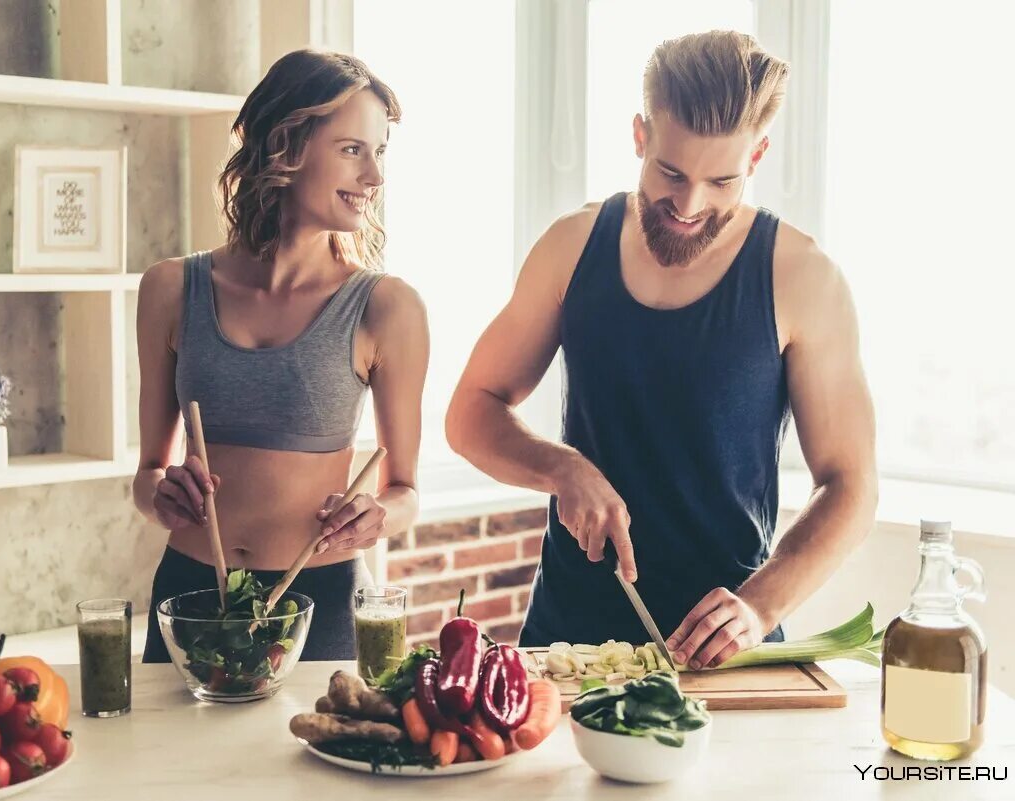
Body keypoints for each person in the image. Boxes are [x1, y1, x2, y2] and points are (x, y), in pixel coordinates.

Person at [445, 31, 878, 670]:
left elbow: (852, 485)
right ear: (640, 136)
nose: (688, 205)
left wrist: (760, 606)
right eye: (670, 173)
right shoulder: (571, 246)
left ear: (756, 157)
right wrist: (560, 467)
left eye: (721, 181)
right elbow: (470, 412)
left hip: (720, 654)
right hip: (565, 644)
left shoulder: (803, 277)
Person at [133, 49, 429, 662]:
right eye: (353, 150)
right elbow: (147, 477)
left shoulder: (386, 308)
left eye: (380, 153)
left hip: (320, 601)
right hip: (190, 596)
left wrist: (377, 516)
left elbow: (404, 490)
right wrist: (161, 493)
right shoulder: (169, 289)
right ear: (285, 146)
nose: (374, 176)